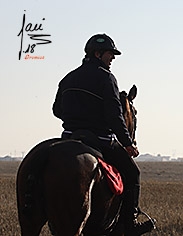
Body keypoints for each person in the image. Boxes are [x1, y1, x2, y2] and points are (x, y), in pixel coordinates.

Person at [52, 33, 155, 236]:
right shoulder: (107, 77)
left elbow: (56, 110)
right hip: (99, 139)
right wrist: (127, 143)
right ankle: (130, 223)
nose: (113, 58)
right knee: (133, 173)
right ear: (98, 54)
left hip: (69, 136)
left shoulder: (68, 78)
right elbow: (115, 116)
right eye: (110, 53)